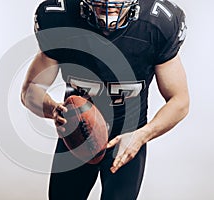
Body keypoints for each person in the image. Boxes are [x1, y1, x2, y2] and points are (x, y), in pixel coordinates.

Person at [21, 0, 189, 199]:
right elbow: (30, 90)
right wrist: (52, 109)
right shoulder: (61, 17)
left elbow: (179, 100)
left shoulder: (157, 23)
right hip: (77, 132)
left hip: (129, 135)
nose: (109, 8)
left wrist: (142, 135)